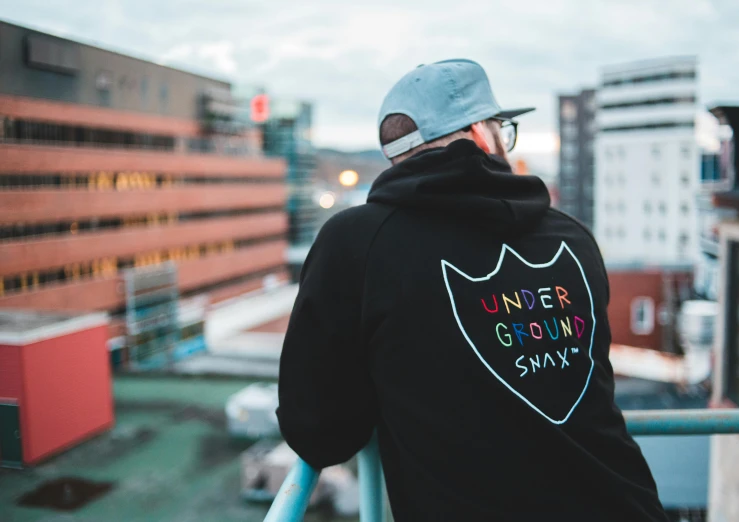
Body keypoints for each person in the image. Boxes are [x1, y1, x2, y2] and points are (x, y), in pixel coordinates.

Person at [277, 59, 667, 522]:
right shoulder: (572, 238)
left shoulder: (358, 243)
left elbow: (319, 432)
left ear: (397, 157)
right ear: (484, 134)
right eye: (505, 128)